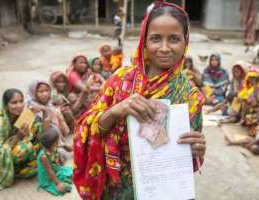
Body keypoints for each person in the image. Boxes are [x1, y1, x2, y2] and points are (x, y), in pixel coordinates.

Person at [73, 2, 206, 199]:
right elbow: (84, 130)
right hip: (116, 190)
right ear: (144, 41)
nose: (164, 48)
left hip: (162, 191)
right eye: (155, 39)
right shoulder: (121, 80)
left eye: (174, 39)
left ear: (185, 42)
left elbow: (185, 160)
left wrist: (197, 149)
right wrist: (115, 111)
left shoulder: (190, 96)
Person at [0, 89, 42, 192]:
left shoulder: (24, 115)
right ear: (6, 105)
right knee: (25, 148)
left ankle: (19, 168)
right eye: (14, 102)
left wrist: (38, 113)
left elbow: (34, 135)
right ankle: (12, 170)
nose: (19, 105)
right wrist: (18, 137)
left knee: (37, 127)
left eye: (21, 101)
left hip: (13, 152)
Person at [37, 126, 72, 196]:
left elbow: (57, 158)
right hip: (47, 177)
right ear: (52, 144)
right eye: (56, 142)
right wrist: (58, 183)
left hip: (56, 170)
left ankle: (60, 177)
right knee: (65, 188)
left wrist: (60, 164)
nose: (58, 143)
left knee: (71, 173)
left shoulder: (54, 148)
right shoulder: (44, 156)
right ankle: (57, 182)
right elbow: (49, 171)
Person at [238, 66, 259, 136]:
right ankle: (243, 120)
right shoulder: (249, 87)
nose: (251, 80)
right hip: (248, 107)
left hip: (255, 109)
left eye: (253, 78)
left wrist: (246, 101)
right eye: (250, 78)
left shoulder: (258, 89)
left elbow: (254, 101)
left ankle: (245, 121)